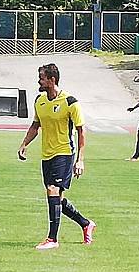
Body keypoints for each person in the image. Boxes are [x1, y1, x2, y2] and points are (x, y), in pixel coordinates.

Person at [17, 63, 95, 250]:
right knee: (56, 198)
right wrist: (24, 144)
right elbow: (36, 126)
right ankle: (86, 224)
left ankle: (52, 239)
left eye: (42, 78)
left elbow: (81, 131)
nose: (39, 81)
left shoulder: (70, 102)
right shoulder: (39, 101)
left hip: (65, 153)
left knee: (53, 189)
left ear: (52, 80)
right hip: (47, 155)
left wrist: (80, 160)